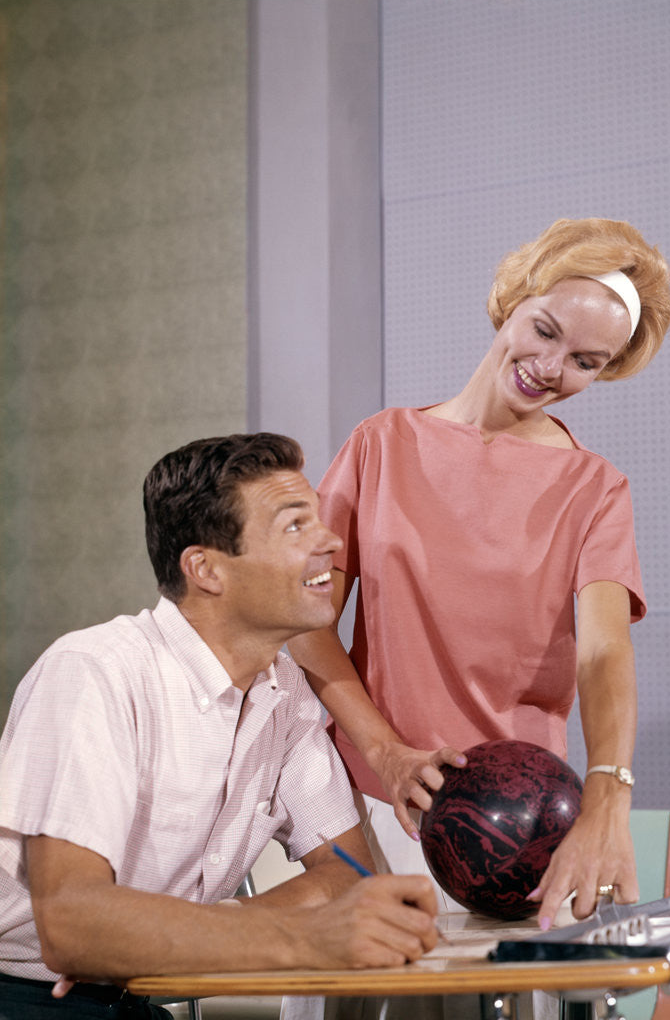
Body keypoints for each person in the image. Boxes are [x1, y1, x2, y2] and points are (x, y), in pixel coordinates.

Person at [288, 218, 670, 936]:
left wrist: (607, 800)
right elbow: (305, 624)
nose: (550, 367)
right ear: (514, 300)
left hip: (519, 831)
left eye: (585, 362)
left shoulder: (595, 489)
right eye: (545, 330)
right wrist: (385, 753)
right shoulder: (380, 444)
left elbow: (603, 652)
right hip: (369, 800)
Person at [0, 433, 438, 1020]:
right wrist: (302, 936)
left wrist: (185, 930)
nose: (331, 541)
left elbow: (351, 872)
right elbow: (73, 925)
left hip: (135, 999)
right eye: (295, 526)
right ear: (205, 569)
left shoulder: (286, 695)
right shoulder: (93, 673)